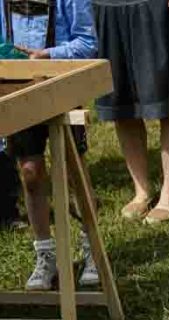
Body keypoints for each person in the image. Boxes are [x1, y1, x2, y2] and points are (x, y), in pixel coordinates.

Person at [1, 0, 99, 290]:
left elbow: (88, 43)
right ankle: (45, 254)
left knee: (73, 171)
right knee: (30, 173)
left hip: (63, 86)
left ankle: (91, 247)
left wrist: (48, 55)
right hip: (17, 90)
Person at [92, 0, 169, 224]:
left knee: (167, 101)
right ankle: (141, 191)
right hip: (107, 7)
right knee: (122, 104)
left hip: (156, 7)